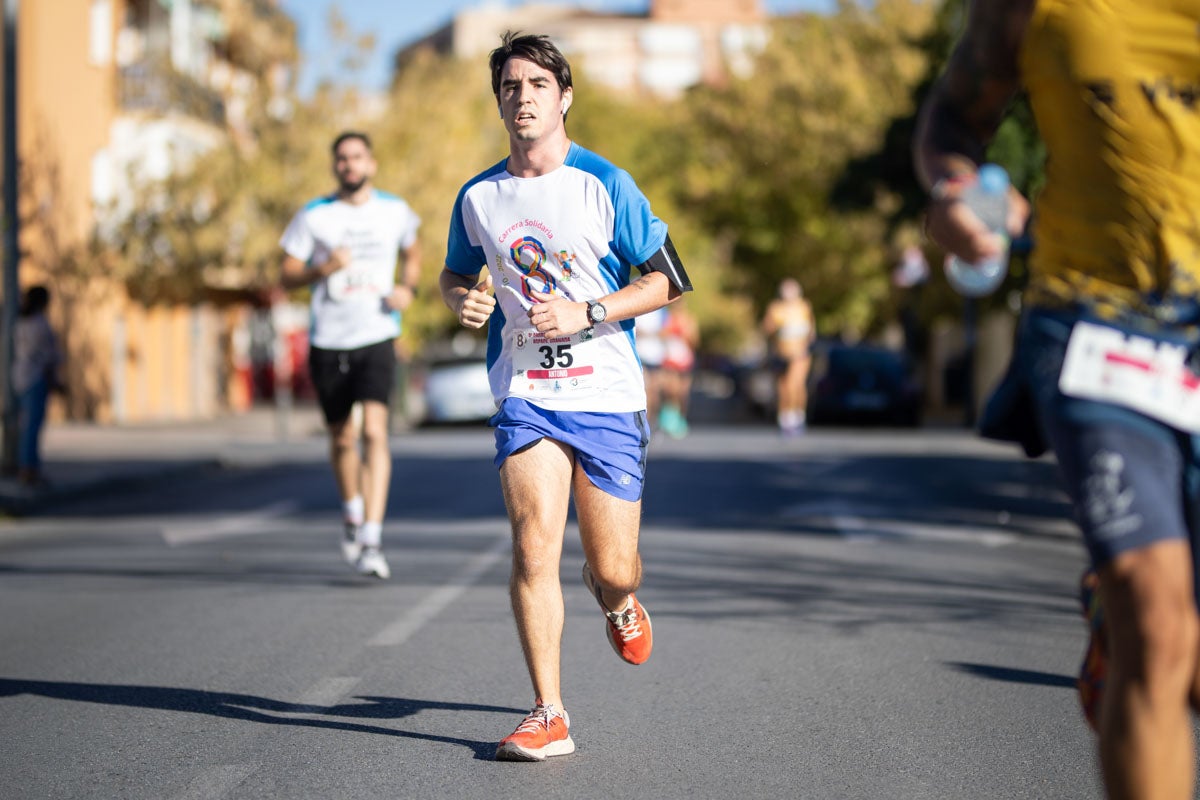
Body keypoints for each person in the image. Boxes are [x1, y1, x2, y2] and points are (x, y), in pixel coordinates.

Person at [915, 2, 1200, 798]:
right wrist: (955, 188)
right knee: (1160, 622)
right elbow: (953, 114)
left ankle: (1115, 616)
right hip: (1097, 320)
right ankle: (1131, 609)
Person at [440, 31, 692, 762]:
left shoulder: (606, 183)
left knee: (614, 565)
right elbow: (454, 274)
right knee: (531, 546)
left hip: (606, 393)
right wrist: (462, 300)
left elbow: (667, 279)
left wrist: (589, 312)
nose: (523, 98)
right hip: (525, 390)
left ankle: (615, 598)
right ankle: (548, 712)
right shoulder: (479, 196)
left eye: (538, 86)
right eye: (511, 87)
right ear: (500, 101)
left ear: (565, 97)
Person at [279, 131, 421, 580]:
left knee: (376, 433)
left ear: (371, 164)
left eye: (357, 157)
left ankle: (372, 537)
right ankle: (352, 513)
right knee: (342, 437)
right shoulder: (314, 216)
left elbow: (413, 251)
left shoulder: (395, 211)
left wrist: (408, 288)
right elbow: (286, 275)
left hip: (378, 333)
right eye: (342, 158)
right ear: (334, 166)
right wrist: (324, 268)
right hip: (329, 341)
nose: (349, 165)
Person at [12, 285, 61, 487]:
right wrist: (55, 381)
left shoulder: (20, 322)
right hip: (35, 378)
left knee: (26, 426)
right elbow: (48, 357)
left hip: (20, 377)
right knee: (32, 427)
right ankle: (29, 469)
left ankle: (28, 467)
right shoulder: (40, 324)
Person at [761, 278, 815, 434]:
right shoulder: (775, 308)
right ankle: (785, 418)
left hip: (799, 354)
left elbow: (811, 331)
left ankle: (797, 416)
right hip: (781, 353)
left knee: (796, 384)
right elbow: (767, 328)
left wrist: (804, 343)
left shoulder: (804, 307)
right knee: (783, 386)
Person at [658, 299, 699, 438]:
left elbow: (695, 340)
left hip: (685, 358)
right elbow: (661, 335)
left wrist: (686, 333)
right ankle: (669, 418)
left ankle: (681, 418)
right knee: (671, 390)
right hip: (670, 358)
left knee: (683, 392)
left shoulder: (689, 320)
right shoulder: (667, 319)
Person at [634, 306, 668, 431]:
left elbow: (666, 331)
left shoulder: (661, 310)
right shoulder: (637, 307)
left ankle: (652, 420)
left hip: (656, 355)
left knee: (654, 391)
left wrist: (649, 333)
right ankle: (644, 422)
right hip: (640, 354)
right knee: (645, 390)